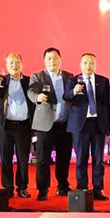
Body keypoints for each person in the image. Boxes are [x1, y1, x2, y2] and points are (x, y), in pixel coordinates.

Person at [27, 47, 75, 201]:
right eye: (49, 58)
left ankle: (63, 186)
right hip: (45, 124)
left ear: (60, 59)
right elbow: (31, 91)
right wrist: (37, 97)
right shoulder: (38, 76)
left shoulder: (69, 76)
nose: (52, 61)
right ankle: (43, 189)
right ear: (44, 60)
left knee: (64, 158)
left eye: (55, 58)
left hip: (64, 123)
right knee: (43, 159)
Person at [64, 53, 110, 200]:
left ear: (95, 65)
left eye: (91, 63)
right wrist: (74, 90)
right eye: (85, 63)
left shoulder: (103, 81)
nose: (88, 66)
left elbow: (108, 104)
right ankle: (82, 187)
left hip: (98, 124)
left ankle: (98, 189)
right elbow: (66, 96)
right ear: (80, 65)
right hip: (80, 125)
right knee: (81, 158)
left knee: (98, 159)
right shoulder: (73, 80)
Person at [0, 53, 33, 198]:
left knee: (23, 158)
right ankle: (8, 187)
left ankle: (22, 187)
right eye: (11, 63)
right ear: (6, 65)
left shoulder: (29, 81)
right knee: (6, 158)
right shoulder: (1, 80)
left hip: (24, 125)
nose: (14, 65)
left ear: (22, 64)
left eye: (17, 62)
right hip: (5, 126)